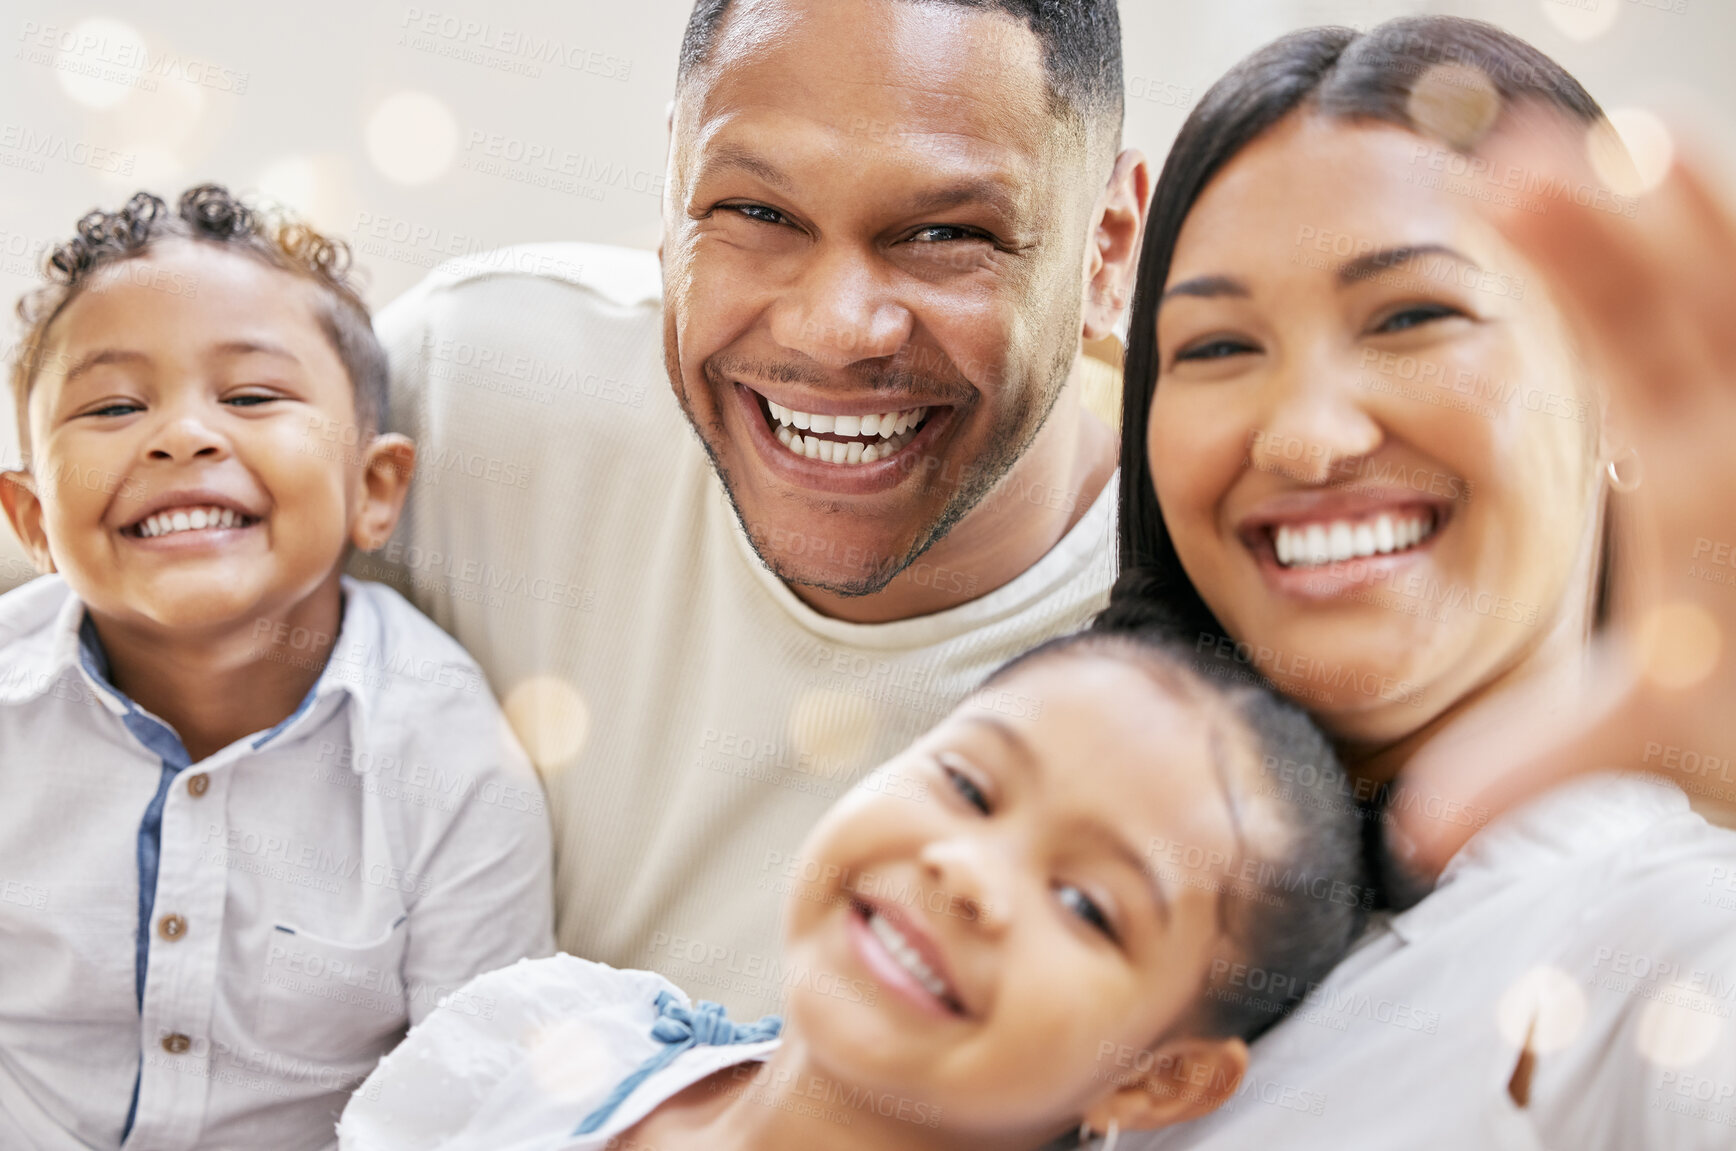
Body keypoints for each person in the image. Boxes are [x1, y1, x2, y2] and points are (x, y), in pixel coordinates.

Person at [360, 0, 1149, 1017]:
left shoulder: (1208, 665)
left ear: (1107, 250)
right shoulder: (459, 393)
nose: (834, 331)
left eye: (946, 233)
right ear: (671, 188)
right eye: (759, 214)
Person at [1108, 17, 1736, 1148]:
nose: (1303, 438)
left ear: (1614, 391)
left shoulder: (1665, 943)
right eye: (1212, 346)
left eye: (1410, 316)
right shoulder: (1058, 872)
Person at [337, 617, 1368, 1151]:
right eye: (966, 785)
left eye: (1086, 903)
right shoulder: (551, 1041)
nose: (966, 871)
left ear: (1157, 1078)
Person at [0, 186, 554, 1151]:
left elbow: (484, 1098)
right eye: (114, 405)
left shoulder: (446, 751)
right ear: (34, 520)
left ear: (374, 491)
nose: (182, 435)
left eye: (252, 395)